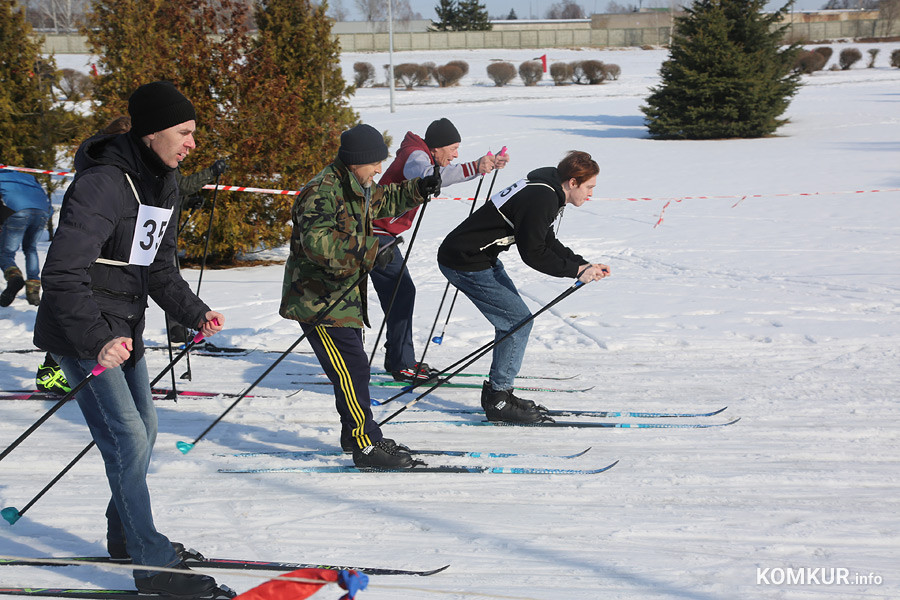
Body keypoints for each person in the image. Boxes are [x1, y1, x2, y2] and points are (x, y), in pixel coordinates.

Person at [33, 81, 229, 598]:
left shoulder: (161, 183)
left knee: (146, 426)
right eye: (184, 132)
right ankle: (152, 561)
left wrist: (195, 312)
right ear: (151, 132)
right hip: (83, 330)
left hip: (124, 326)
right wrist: (96, 338)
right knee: (128, 436)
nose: (192, 143)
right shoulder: (102, 184)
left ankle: (125, 537)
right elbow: (61, 274)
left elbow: (158, 268)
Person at [280, 123, 440, 469]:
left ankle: (353, 434)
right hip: (317, 299)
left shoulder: (357, 184)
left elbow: (385, 200)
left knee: (354, 371)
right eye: (375, 163)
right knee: (352, 371)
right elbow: (317, 243)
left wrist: (418, 189)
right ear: (356, 161)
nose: (379, 170)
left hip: (342, 296)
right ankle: (367, 445)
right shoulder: (321, 191)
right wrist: (369, 250)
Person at [437, 151, 611, 423]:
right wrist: (576, 271)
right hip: (464, 261)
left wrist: (583, 263)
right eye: (589, 187)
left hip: (479, 258)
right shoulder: (542, 196)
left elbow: (546, 240)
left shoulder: (546, 191)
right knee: (517, 322)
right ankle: (499, 400)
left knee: (514, 322)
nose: (591, 194)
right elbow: (534, 253)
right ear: (573, 182)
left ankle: (500, 393)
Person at [373, 118, 509, 382]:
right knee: (401, 292)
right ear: (435, 148)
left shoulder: (421, 154)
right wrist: (475, 166)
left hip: (380, 233)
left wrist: (482, 167)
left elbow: (438, 175)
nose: (456, 154)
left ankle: (400, 360)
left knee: (400, 293)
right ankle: (401, 362)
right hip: (373, 233)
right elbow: (428, 176)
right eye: (453, 148)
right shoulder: (416, 156)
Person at [0, 169, 52, 307]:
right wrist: (47, 213)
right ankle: (33, 290)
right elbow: (44, 196)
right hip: (41, 212)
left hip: (18, 211)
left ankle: (14, 277)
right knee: (31, 248)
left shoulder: (2, 176)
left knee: (6, 252)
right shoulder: (28, 177)